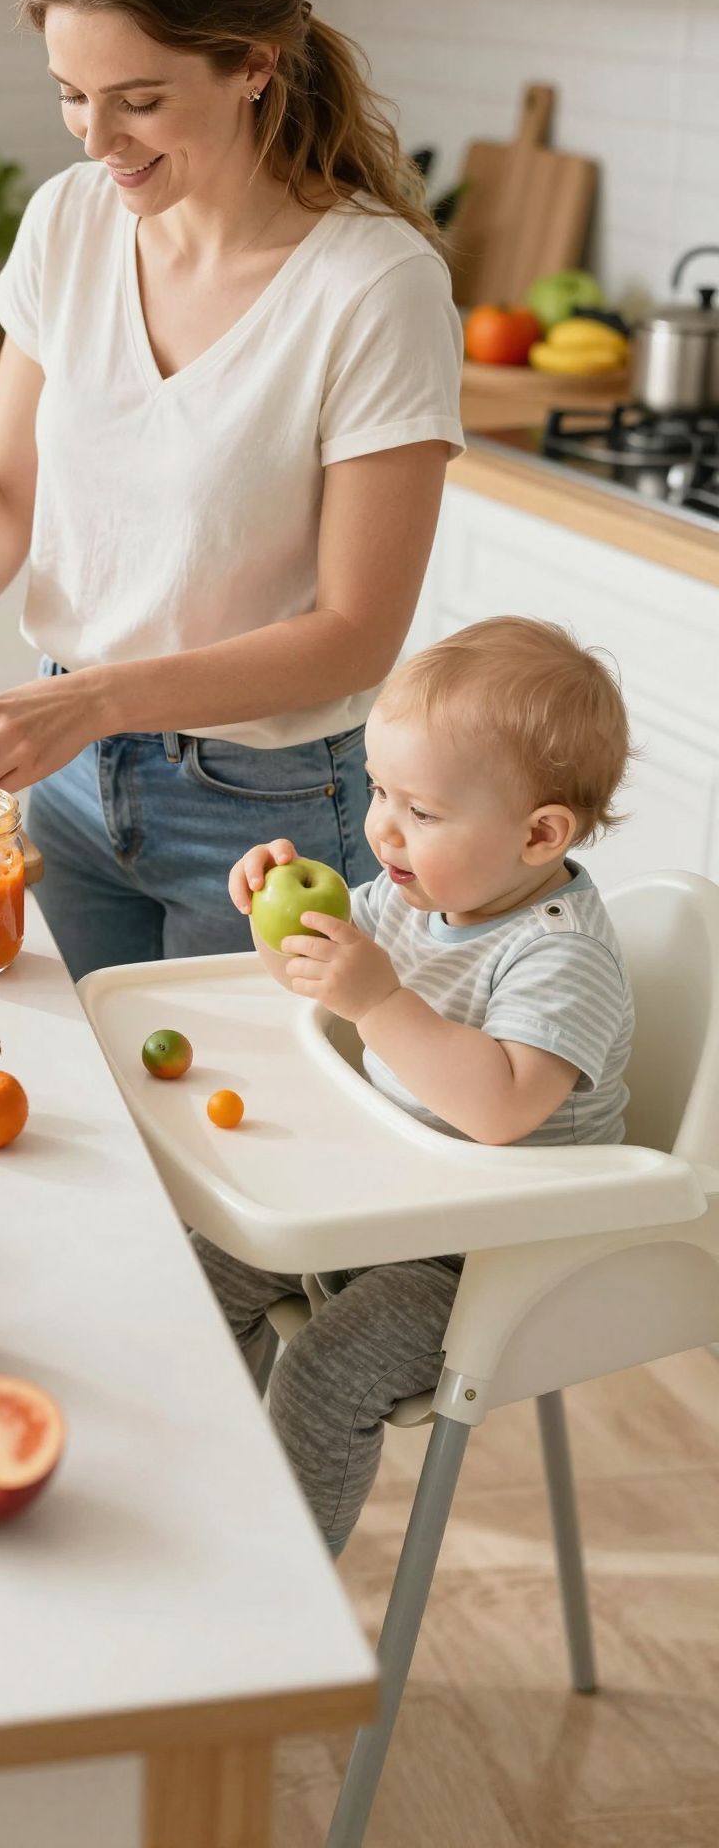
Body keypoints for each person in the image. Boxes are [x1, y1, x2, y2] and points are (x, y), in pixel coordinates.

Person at [0, 0, 463, 982]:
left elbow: (358, 629)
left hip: (263, 814)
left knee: (240, 1132)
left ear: (253, 64)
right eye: (72, 93)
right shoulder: (68, 223)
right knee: (84, 1125)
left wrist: (97, 696)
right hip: (61, 781)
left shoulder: (373, 287)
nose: (95, 138)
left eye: (140, 98)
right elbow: (4, 485)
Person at [194, 616, 635, 1557]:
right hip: (393, 1197)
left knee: (327, 1368)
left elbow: (501, 1109)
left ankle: (286, 1587)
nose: (383, 827)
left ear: (539, 834)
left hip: (492, 1255)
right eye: (380, 790)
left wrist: (382, 999)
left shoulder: (559, 954)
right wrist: (275, 920)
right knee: (208, 1257)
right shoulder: (414, 893)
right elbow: (318, 975)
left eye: (423, 812)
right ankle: (217, 1479)